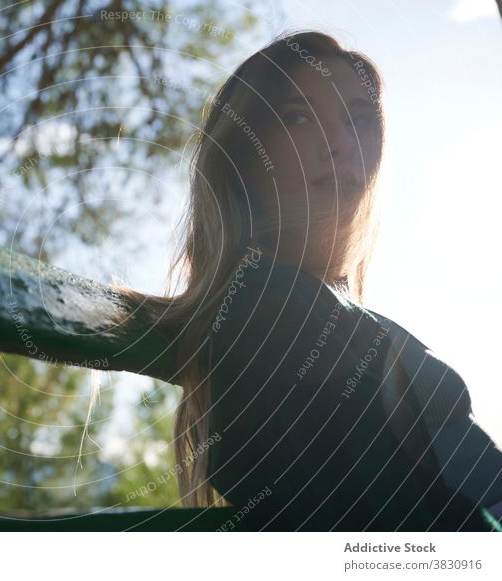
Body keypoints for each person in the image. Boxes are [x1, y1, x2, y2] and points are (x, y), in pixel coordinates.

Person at [115, 30, 502, 531]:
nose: (341, 144)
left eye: (358, 121)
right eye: (298, 117)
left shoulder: (316, 310)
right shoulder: (266, 308)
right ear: (244, 154)